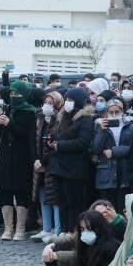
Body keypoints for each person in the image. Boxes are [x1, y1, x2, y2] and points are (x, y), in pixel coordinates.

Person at [0, 80, 37, 241]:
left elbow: (28, 136)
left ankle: (20, 228)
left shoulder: (30, 112)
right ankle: (8, 228)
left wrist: (10, 124)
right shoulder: (7, 108)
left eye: (17, 93)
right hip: (5, 155)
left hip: (22, 156)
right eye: (11, 93)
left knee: (21, 191)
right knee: (4, 189)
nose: (13, 96)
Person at [49, 87, 96, 233]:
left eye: (70, 100)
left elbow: (83, 142)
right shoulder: (63, 117)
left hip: (75, 170)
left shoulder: (85, 119)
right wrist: (52, 142)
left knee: (74, 204)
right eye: (66, 100)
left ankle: (74, 233)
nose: (67, 103)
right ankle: (64, 232)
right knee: (62, 204)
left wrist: (60, 145)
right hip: (59, 168)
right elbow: (58, 136)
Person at [30, 91, 64, 242]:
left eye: (51, 103)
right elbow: (34, 141)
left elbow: (54, 144)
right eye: (46, 103)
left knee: (54, 198)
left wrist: (43, 161)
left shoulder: (60, 120)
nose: (47, 106)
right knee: (43, 196)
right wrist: (36, 159)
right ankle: (46, 228)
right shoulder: (40, 119)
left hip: (52, 164)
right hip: (40, 164)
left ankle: (57, 230)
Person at [91, 98, 133, 213]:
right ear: (106, 113)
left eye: (117, 112)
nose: (114, 115)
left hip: (124, 171)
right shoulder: (100, 126)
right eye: (111, 112)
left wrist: (113, 152)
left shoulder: (130, 126)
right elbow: (95, 148)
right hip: (106, 173)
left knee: (122, 208)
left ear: (122, 111)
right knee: (108, 209)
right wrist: (102, 131)